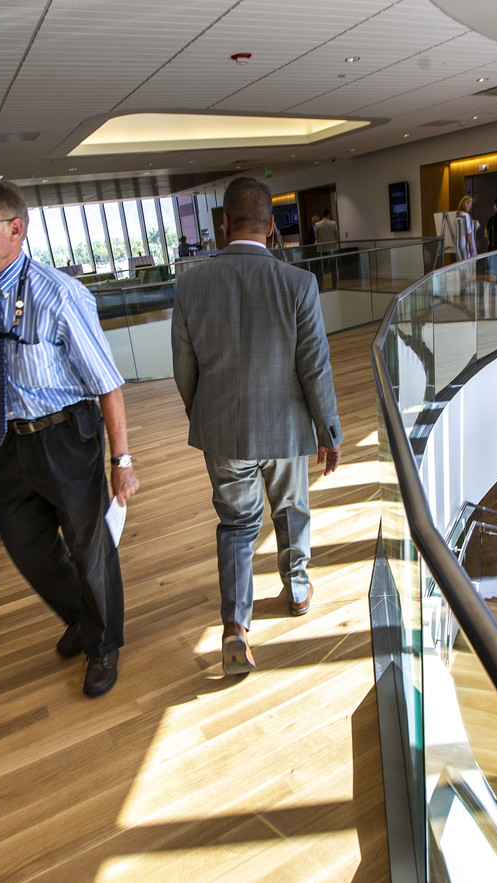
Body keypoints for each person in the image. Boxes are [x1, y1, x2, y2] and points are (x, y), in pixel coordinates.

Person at [0, 178, 140, 697]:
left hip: (65, 438)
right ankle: (80, 613)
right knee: (27, 547)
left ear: (14, 229)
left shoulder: (59, 293)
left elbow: (107, 384)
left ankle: (102, 644)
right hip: (4, 439)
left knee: (88, 545)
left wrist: (122, 459)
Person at [172, 178, 343, 677]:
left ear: (222, 226)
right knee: (291, 508)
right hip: (287, 428)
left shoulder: (190, 285)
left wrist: (202, 414)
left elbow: (185, 369)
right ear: (271, 228)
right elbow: (315, 366)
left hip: (222, 430)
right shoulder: (298, 284)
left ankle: (235, 629)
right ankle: (295, 590)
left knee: (237, 524)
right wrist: (328, 432)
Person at [313, 208, 339, 288]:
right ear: (329, 214)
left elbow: (316, 237)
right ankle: (334, 284)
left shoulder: (317, 225)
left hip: (322, 248)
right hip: (332, 248)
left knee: (322, 267)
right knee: (333, 268)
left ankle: (321, 284)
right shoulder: (333, 224)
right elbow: (336, 236)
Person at [454, 195, 478, 261]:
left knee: (460, 265)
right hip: (465, 245)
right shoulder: (466, 216)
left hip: (458, 245)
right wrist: (471, 245)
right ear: (466, 204)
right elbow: (468, 231)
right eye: (471, 204)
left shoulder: (457, 216)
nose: (471, 206)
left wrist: (472, 223)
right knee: (468, 265)